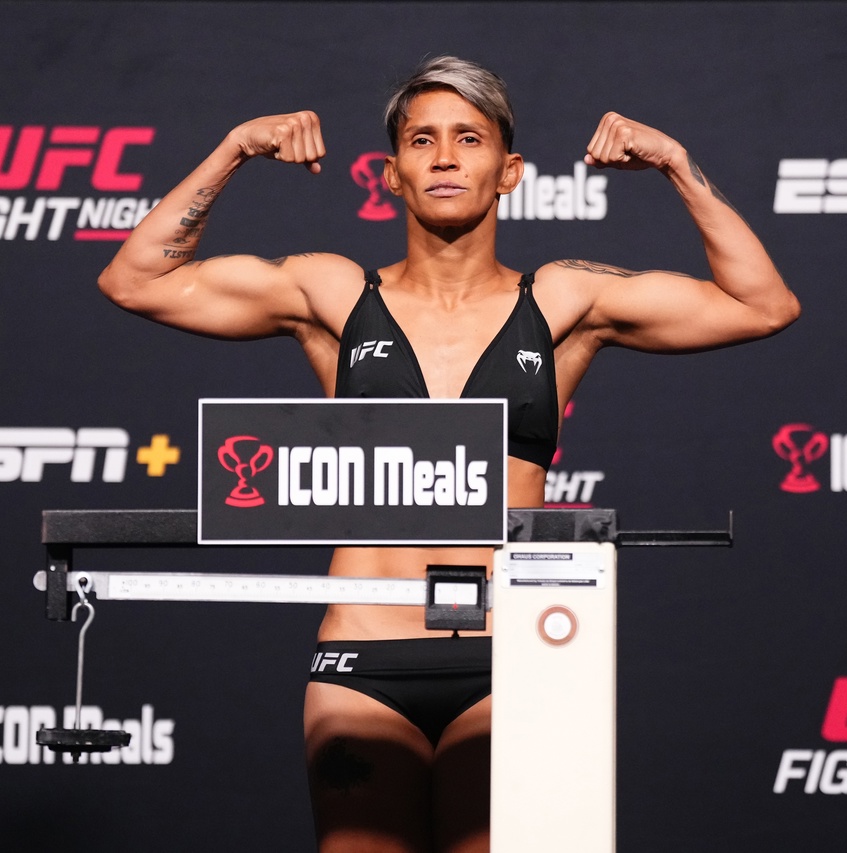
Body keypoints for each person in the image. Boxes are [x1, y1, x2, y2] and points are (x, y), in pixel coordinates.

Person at [98, 55, 799, 853]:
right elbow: (135, 280)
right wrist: (235, 147)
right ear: (391, 174)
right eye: (421, 140)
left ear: (510, 172)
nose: (443, 157)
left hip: (512, 654)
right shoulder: (334, 294)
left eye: (469, 139)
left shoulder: (563, 299)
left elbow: (763, 304)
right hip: (364, 655)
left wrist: (674, 162)